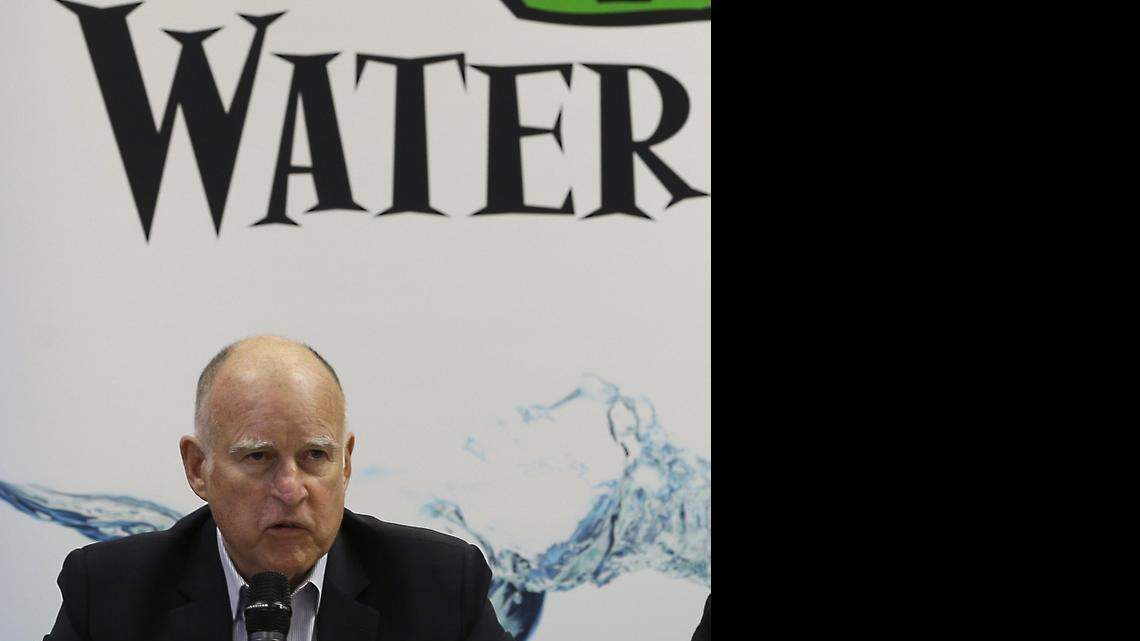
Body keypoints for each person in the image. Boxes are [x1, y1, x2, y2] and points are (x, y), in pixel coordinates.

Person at [45, 335, 512, 641]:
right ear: (198, 467)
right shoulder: (109, 593)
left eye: (315, 456)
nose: (291, 489)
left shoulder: (440, 586)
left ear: (345, 464)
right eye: (258, 457)